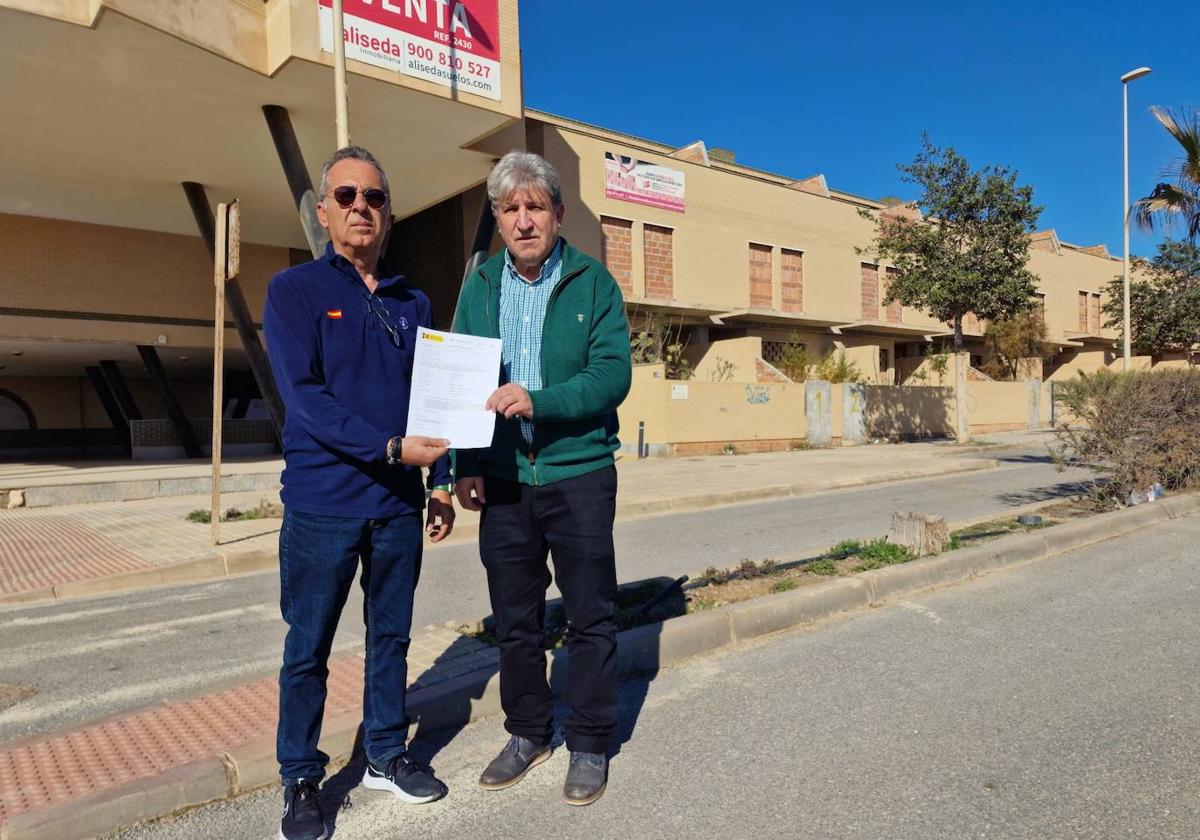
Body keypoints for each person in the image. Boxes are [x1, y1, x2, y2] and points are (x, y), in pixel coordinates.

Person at [264, 146, 455, 840]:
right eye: (345, 195)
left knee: (391, 637)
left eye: (373, 197)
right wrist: (391, 449)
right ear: (324, 211)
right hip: (322, 506)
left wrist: (441, 481)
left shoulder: (413, 301)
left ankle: (384, 754)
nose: (360, 207)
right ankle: (301, 778)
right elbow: (305, 399)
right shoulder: (294, 291)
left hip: (398, 505)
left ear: (389, 213)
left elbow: (433, 400)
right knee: (308, 648)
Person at [452, 150, 632, 806]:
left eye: (535, 206)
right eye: (510, 209)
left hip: (579, 473)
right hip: (504, 479)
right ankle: (528, 733)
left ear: (557, 213)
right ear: (498, 219)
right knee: (515, 620)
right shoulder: (479, 287)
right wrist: (466, 465)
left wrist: (539, 401)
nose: (523, 221)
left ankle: (589, 740)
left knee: (591, 615)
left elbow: (612, 376)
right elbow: (461, 378)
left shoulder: (593, 282)